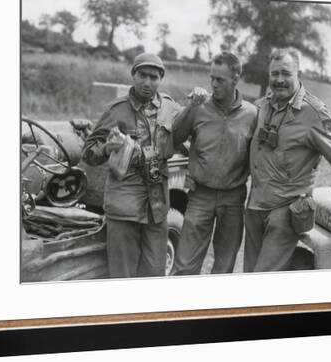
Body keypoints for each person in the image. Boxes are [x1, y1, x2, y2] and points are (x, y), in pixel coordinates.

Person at [244, 48, 331, 272]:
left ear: (298, 74)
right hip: (255, 207)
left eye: (285, 73)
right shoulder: (262, 106)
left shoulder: (313, 113)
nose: (278, 80)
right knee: (249, 274)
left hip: (286, 212)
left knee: (261, 281)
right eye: (274, 74)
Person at [82, 53, 180, 278]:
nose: (147, 82)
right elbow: (89, 153)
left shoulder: (170, 108)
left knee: (155, 272)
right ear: (133, 75)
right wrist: (107, 148)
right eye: (142, 75)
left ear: (161, 79)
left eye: (154, 77)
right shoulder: (116, 110)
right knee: (122, 275)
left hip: (157, 205)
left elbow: (185, 135)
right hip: (124, 204)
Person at [171, 52, 257, 275]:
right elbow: (173, 139)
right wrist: (188, 107)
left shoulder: (252, 114)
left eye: (220, 80)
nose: (213, 84)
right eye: (212, 78)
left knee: (224, 267)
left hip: (233, 198)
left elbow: (259, 157)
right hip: (200, 195)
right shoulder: (199, 106)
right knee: (185, 266)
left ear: (236, 78)